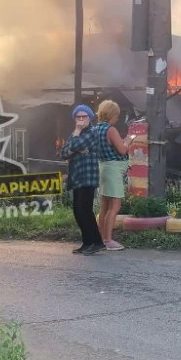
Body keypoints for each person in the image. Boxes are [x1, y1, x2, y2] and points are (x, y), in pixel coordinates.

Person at [61, 104, 105, 255]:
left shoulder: (92, 132)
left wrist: (77, 135)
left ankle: (97, 242)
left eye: (83, 116)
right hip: (77, 176)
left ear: (89, 117)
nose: (80, 120)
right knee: (77, 211)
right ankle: (87, 242)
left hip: (88, 176)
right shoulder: (75, 133)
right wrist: (74, 149)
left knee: (84, 209)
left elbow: (75, 144)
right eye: (78, 117)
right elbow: (63, 152)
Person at [93, 100, 129, 251]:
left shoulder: (95, 129)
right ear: (111, 115)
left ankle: (101, 238)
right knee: (115, 206)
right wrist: (129, 142)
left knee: (105, 206)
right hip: (113, 169)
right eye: (116, 115)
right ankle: (108, 240)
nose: (117, 118)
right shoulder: (110, 129)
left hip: (103, 167)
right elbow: (122, 150)